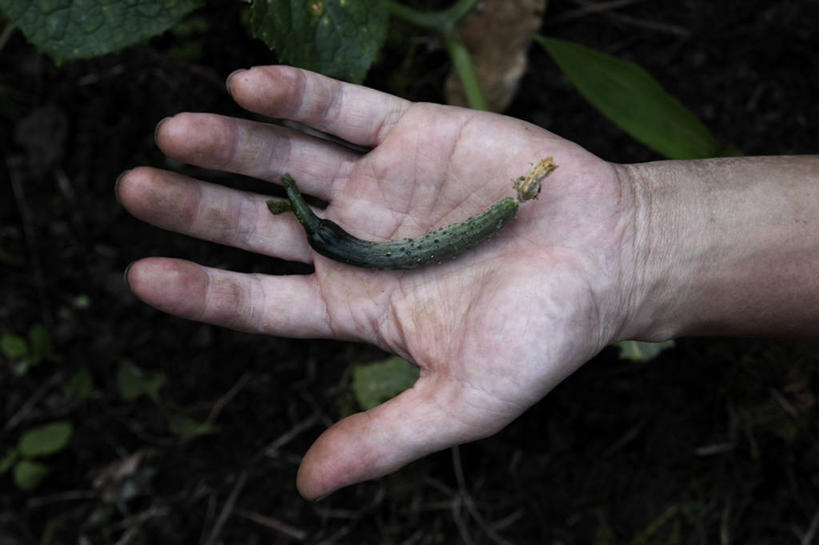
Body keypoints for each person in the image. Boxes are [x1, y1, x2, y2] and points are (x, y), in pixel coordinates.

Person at [115, 65, 819, 500]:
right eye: (530, 187)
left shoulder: (501, 212)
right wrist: (636, 237)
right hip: (357, 236)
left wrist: (631, 241)